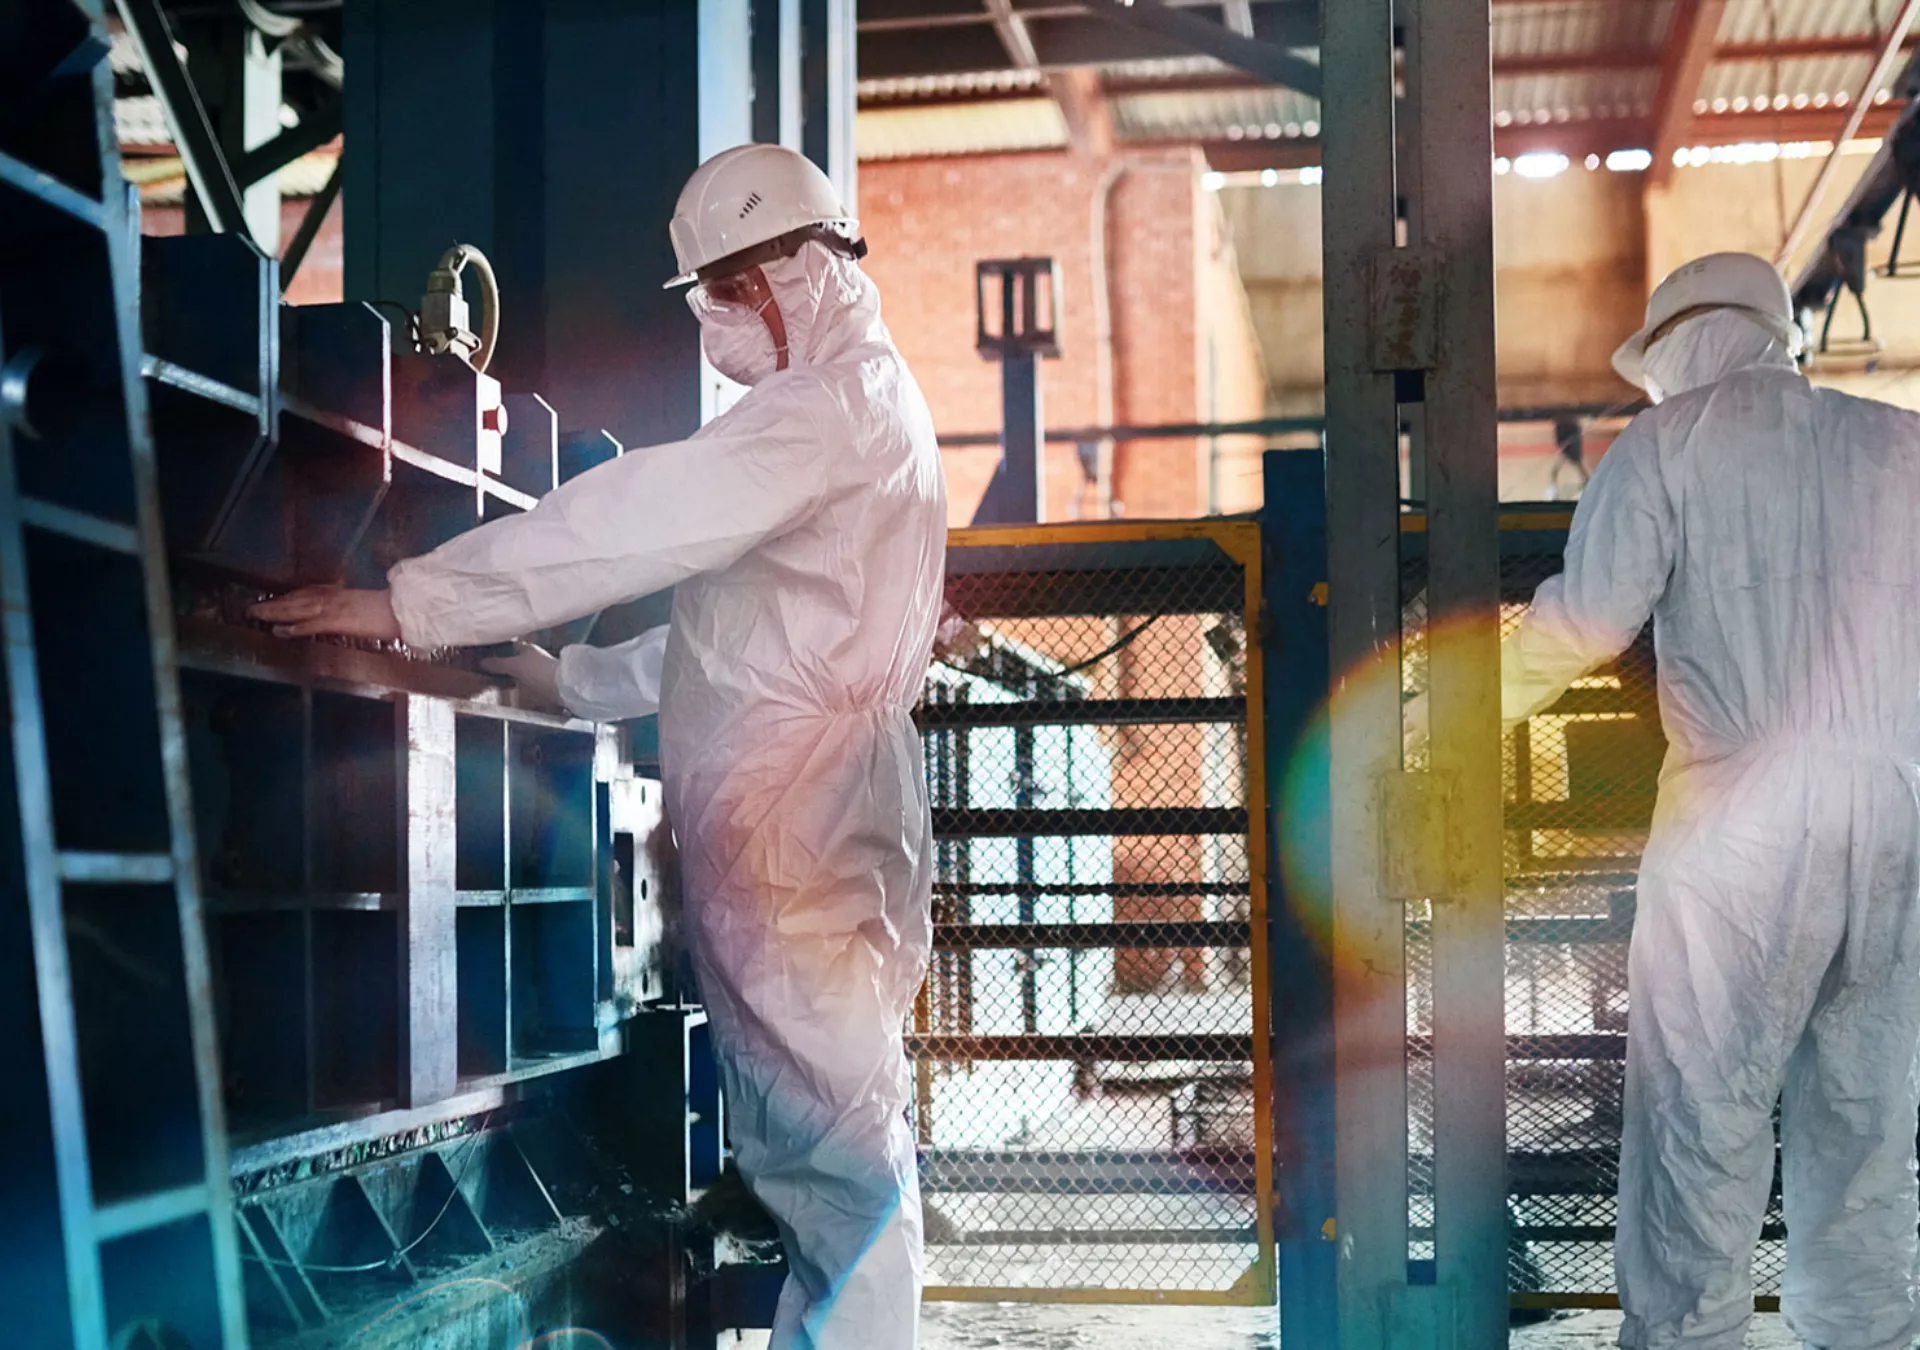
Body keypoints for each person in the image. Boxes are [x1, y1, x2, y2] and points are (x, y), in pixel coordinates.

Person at [254, 143, 947, 1350]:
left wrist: (414, 602)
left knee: (836, 1164)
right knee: (826, 1150)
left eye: (728, 293)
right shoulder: (867, 406)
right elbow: (741, 639)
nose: (717, 324)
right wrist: (577, 681)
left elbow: (635, 522)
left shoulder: (822, 413)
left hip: (797, 824)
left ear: (798, 269)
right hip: (823, 806)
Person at [1501, 251, 1920, 1350]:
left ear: (1676, 349)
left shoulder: (1669, 443)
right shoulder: (1901, 446)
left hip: (1739, 830)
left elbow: (1586, 623)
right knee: (1864, 1128)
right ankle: (1863, 1337)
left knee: (1703, 1119)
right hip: (1896, 821)